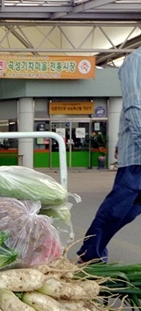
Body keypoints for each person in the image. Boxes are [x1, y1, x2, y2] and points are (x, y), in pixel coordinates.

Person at [77, 46, 141, 263]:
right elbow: (135, 107)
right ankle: (90, 255)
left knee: (129, 212)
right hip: (137, 158)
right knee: (117, 210)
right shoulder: (137, 60)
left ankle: (93, 251)